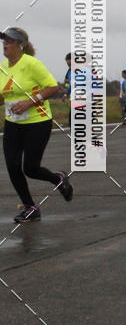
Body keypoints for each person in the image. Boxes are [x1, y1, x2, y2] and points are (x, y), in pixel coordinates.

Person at [0, 27, 73, 222]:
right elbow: (2, 96)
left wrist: (30, 101)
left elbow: (53, 87)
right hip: (12, 124)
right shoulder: (3, 68)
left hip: (38, 122)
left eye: (10, 40)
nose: (5, 43)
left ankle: (57, 178)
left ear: (20, 45)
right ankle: (30, 207)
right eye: (3, 40)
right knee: (12, 166)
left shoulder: (32, 64)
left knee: (30, 168)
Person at [62, 52, 72, 128]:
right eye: (68, 64)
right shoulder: (69, 71)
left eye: (70, 64)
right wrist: (66, 93)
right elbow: (67, 84)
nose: (69, 66)